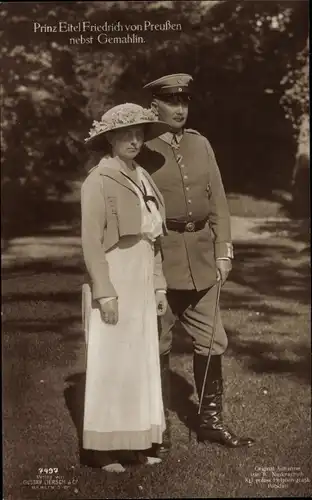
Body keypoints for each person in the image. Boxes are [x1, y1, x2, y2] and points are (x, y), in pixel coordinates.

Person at [138, 74, 255, 452]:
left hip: (203, 259)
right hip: (161, 260)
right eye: (172, 101)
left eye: (185, 100)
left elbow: (218, 200)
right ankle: (158, 430)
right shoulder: (142, 147)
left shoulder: (200, 144)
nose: (180, 108)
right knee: (157, 344)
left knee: (212, 341)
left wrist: (224, 251)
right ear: (155, 105)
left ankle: (210, 422)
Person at [80, 103, 171, 472]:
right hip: (117, 275)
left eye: (139, 134)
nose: (134, 140)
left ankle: (135, 441)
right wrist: (105, 292)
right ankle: (102, 449)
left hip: (143, 273)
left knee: (140, 360)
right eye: (126, 134)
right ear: (110, 139)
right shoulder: (98, 181)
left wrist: (160, 287)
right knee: (113, 361)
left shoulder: (143, 176)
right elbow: (91, 241)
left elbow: (155, 240)